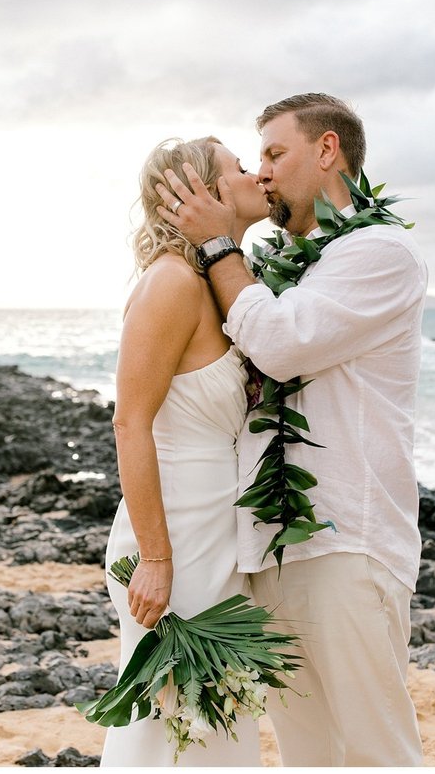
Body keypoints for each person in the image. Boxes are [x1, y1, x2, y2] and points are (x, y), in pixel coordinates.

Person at [155, 93, 427, 766]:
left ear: (327, 150)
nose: (265, 172)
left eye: (276, 153)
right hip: (274, 546)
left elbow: (278, 343)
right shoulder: (291, 265)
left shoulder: (380, 253)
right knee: (309, 757)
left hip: (346, 543)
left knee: (377, 753)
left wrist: (217, 243)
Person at [100, 136, 270, 766]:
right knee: (172, 721)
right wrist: (156, 556)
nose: (256, 174)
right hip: (173, 536)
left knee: (214, 721)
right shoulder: (171, 284)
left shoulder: (220, 282)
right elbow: (129, 423)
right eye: (238, 168)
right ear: (200, 192)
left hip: (218, 531)